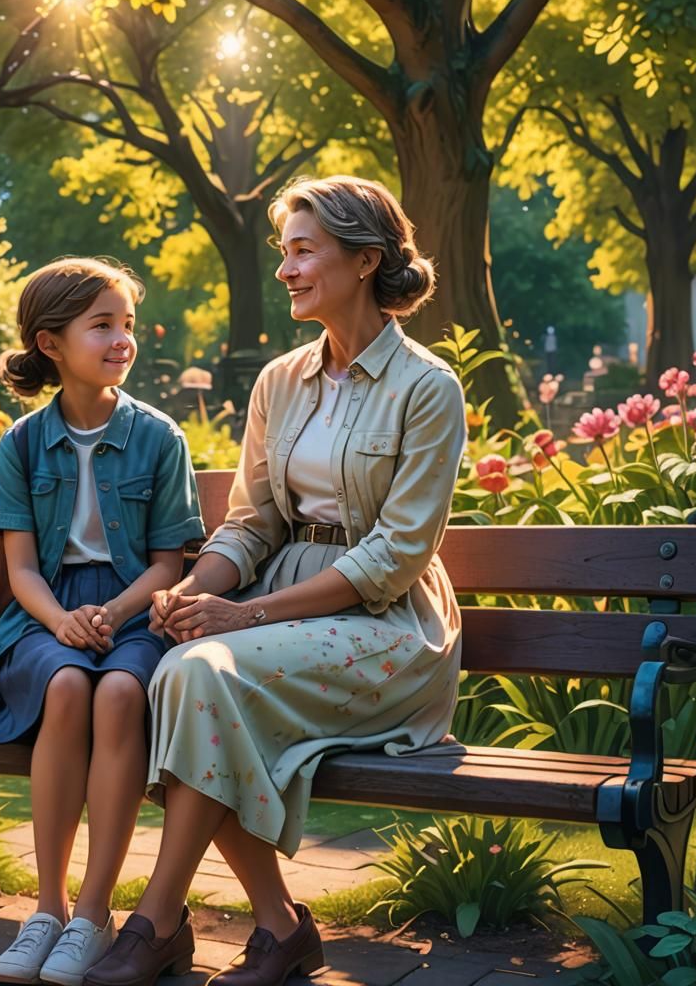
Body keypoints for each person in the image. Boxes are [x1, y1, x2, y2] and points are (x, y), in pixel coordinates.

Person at [85, 176, 467, 986]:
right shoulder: (280, 380)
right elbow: (253, 522)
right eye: (283, 253)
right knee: (187, 670)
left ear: (365, 260)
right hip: (279, 611)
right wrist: (200, 592)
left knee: (198, 677)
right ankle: (277, 925)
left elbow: (394, 556)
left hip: (390, 629)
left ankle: (159, 921)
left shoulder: (428, 387)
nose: (287, 269)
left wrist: (244, 615)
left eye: (304, 251)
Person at [0, 257, 205, 986]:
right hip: (45, 613)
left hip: (133, 611)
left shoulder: (161, 438)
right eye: (102, 325)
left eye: (127, 323)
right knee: (68, 687)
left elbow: (170, 564)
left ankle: (93, 916)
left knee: (122, 694)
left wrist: (115, 611)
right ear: (50, 343)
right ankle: (47, 910)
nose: (121, 339)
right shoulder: (24, 442)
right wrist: (64, 621)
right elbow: (21, 569)